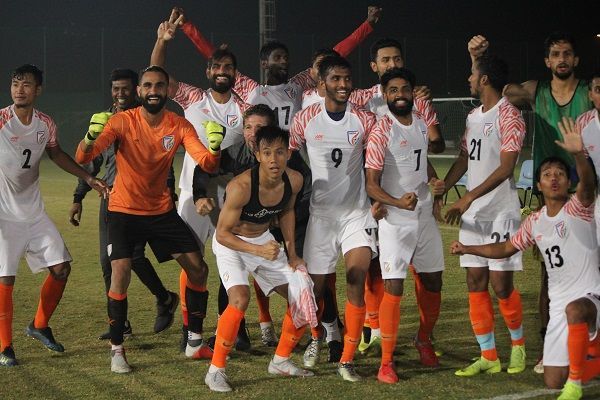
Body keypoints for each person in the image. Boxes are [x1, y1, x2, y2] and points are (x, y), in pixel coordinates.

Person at [74, 65, 220, 373]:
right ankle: (117, 351)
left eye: (160, 85)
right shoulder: (121, 121)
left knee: (199, 269)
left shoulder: (179, 125)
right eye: (148, 86)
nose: (154, 90)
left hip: (161, 212)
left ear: (167, 90)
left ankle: (194, 342)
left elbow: (205, 161)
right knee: (121, 272)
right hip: (123, 211)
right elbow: (84, 158)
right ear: (140, 91)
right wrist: (89, 137)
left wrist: (215, 147)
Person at [450, 117, 600, 400]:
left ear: (569, 182)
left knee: (576, 312)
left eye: (560, 174)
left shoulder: (579, 208)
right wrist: (469, 249)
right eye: (547, 175)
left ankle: (577, 382)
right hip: (559, 308)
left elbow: (589, 187)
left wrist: (579, 154)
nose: (554, 178)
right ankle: (591, 349)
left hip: (591, 296)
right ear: (538, 186)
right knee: (553, 379)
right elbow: (505, 248)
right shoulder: (534, 222)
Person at [472, 32, 593, 372]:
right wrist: (478, 60)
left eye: (568, 53)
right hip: (552, 193)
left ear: (576, 60)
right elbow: (490, 89)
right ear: (547, 61)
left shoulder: (590, 91)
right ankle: (548, 344)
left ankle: (590, 342)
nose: (562, 59)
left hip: (588, 190)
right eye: (555, 54)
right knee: (551, 273)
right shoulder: (533, 90)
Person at [150, 13, 253, 355]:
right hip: (192, 195)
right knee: (191, 260)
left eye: (228, 67)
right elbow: (158, 76)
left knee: (232, 262)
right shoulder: (194, 99)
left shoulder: (246, 107)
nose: (222, 71)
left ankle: (233, 329)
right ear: (208, 72)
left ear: (235, 74)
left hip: (231, 196)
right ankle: (189, 328)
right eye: (217, 66)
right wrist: (163, 41)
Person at [0, 64, 109, 366]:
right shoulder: (1, 120)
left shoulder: (45, 124)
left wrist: (88, 177)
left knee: (61, 268)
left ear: (38, 90)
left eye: (26, 85)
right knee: (6, 279)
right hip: (4, 215)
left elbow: (56, 153)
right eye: (15, 83)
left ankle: (38, 325)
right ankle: (5, 346)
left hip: (34, 213)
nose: (19, 89)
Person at [68, 68, 178, 340]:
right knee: (108, 261)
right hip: (112, 199)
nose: (120, 94)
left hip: (146, 200)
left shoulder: (150, 117)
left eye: (125, 89)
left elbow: (165, 159)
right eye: (115, 89)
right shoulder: (105, 120)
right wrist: (78, 197)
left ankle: (164, 299)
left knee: (134, 256)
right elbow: (92, 161)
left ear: (137, 90)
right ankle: (122, 322)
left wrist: (169, 192)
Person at [205, 125, 316, 392]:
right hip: (233, 244)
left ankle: (281, 360)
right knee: (240, 299)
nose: (273, 159)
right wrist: (257, 252)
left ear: (288, 153)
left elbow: (288, 212)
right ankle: (215, 371)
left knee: (303, 294)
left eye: (279, 152)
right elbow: (221, 234)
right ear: (258, 155)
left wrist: (293, 255)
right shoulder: (241, 186)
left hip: (263, 241)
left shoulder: (295, 180)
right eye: (267, 153)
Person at [290, 55, 378, 381]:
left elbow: (381, 157)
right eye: (336, 79)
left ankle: (347, 358)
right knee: (314, 288)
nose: (343, 85)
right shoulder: (305, 119)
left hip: (356, 214)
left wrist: (380, 194)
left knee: (356, 279)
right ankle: (316, 338)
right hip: (321, 216)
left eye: (347, 78)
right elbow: (286, 158)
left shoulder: (365, 119)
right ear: (321, 83)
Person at [442, 53, 527, 376]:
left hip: (500, 213)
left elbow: (506, 168)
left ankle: (518, 347)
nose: (469, 79)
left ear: (485, 79)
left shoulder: (510, 115)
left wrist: (467, 198)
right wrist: (444, 187)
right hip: (473, 215)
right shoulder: (473, 117)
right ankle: (488, 355)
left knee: (501, 285)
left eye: (472, 74)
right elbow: (464, 158)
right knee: (475, 282)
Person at [365, 67, 445, 383]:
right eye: (394, 90)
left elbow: (422, 160)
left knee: (434, 281)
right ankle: (386, 362)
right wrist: (396, 202)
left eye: (405, 89)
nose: (400, 95)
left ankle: (423, 339)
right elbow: (371, 183)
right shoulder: (381, 130)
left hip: (423, 216)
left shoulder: (422, 125)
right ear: (386, 96)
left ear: (412, 93)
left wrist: (435, 184)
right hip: (395, 220)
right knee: (394, 287)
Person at [178, 5, 381, 130]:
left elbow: (332, 59)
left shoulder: (297, 85)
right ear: (265, 64)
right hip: (264, 154)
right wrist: (187, 26)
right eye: (278, 57)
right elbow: (219, 64)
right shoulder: (252, 89)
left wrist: (368, 25)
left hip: (292, 154)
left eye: (286, 57)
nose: (284, 61)